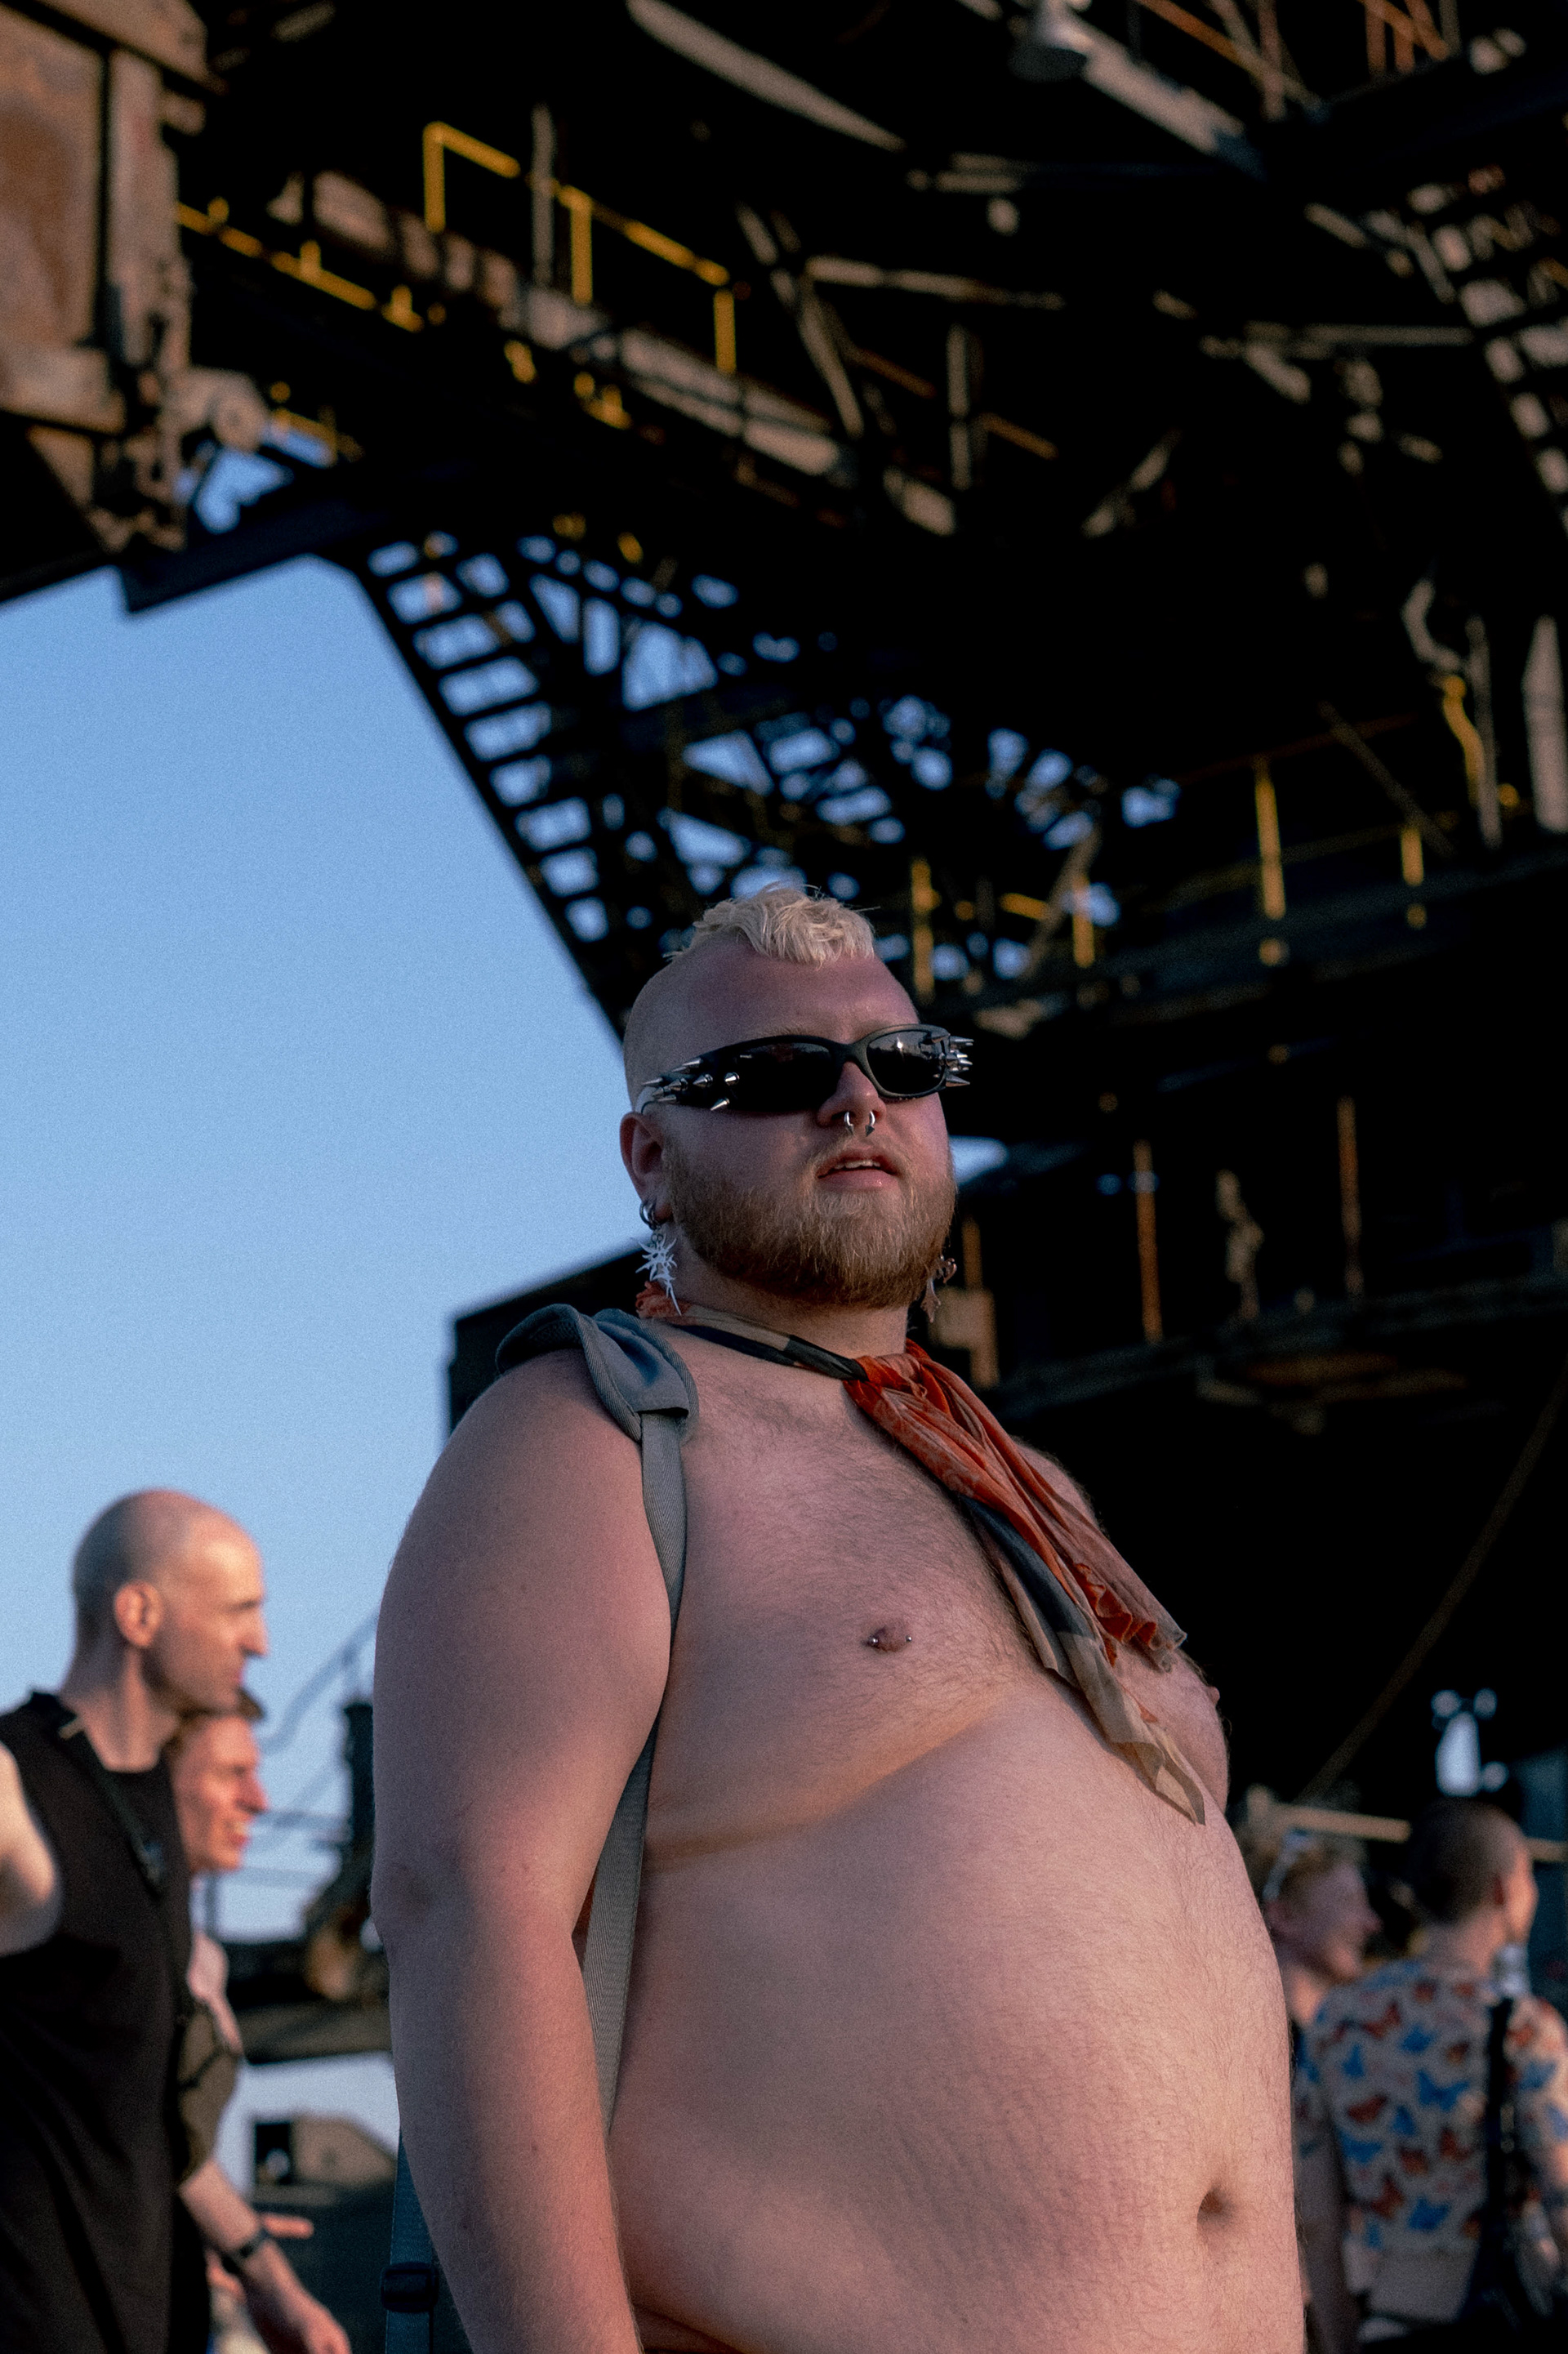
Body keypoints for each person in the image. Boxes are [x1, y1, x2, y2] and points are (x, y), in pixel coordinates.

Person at [373, 885, 1302, 2354]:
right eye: (775, 1073)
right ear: (651, 1157)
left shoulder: (1032, 1485)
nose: (856, 1098)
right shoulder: (589, 1439)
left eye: (904, 1063)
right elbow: (464, 1907)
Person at [0, 1490, 268, 2354]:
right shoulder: (15, 1785)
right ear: (139, 1614)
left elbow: (153, 2127)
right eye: (238, 1611)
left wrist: (264, 2271)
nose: (260, 1641)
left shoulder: (152, 1810)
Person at [1296, 1797, 1568, 2349]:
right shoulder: (1521, 2027)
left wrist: (1344, 2342)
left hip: (1389, 2319)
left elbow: (1316, 2221)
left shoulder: (1337, 2022)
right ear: (1504, 1888)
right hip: (1502, 2320)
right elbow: (1563, 2197)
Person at [168, 1702, 352, 2354]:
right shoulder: (104, 1945)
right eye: (232, 1774)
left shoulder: (202, 1959)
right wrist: (270, 2276)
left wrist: (204, 2231)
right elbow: (153, 2130)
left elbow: (167, 2154)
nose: (259, 1800)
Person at [1241, 1825, 1383, 2058]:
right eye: (1350, 1902)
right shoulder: (1246, 2042)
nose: (1373, 1924)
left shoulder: (1351, 2045)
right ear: (1283, 1917)